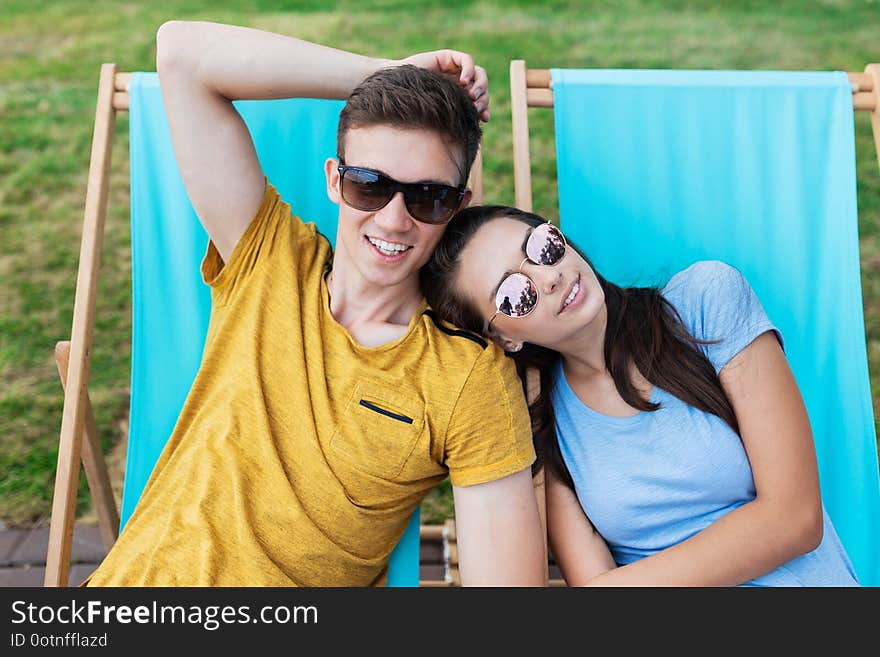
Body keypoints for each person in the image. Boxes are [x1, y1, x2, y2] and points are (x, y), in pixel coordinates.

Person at [84, 21, 546, 587]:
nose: (394, 219)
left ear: (459, 204)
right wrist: (388, 72)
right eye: (370, 185)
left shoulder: (466, 377)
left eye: (428, 197)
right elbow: (180, 52)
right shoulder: (270, 258)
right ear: (334, 180)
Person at [421, 204, 861, 586]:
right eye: (517, 294)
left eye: (541, 247)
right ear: (503, 338)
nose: (548, 277)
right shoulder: (544, 423)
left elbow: (796, 519)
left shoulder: (703, 302)